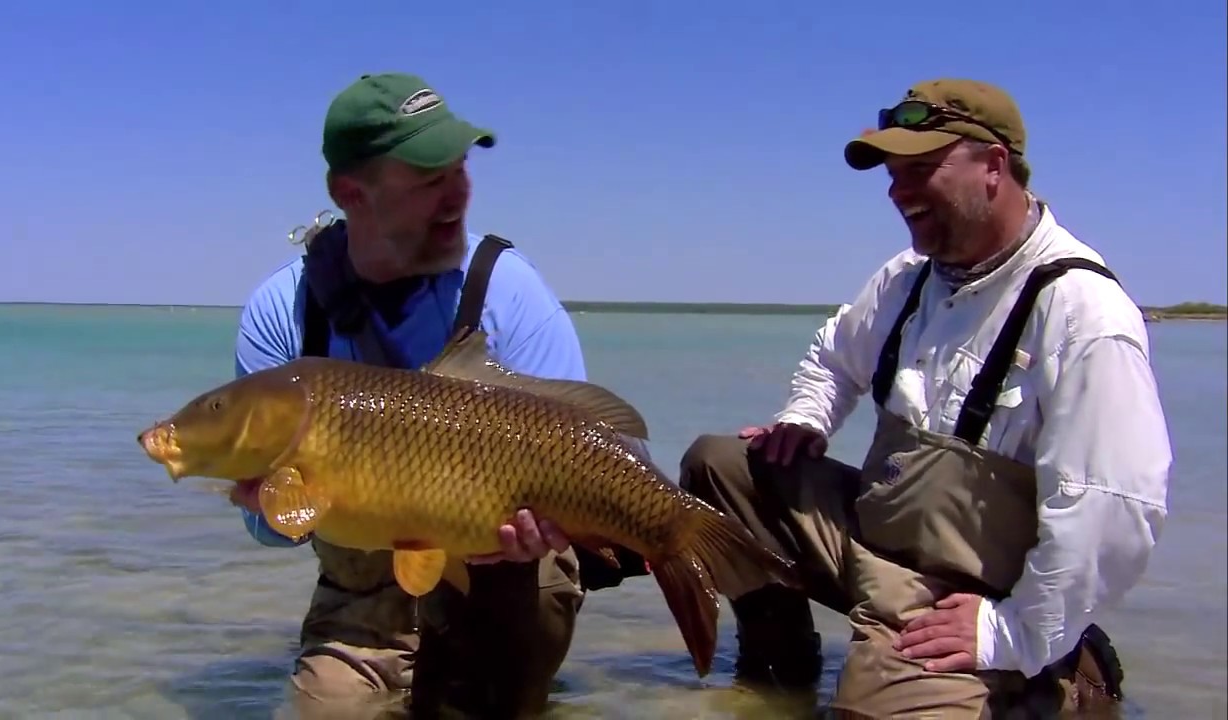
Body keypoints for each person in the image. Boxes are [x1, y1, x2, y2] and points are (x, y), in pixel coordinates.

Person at [678, 78, 1171, 717]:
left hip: (961, 596)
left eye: (920, 169)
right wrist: (806, 418)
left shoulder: (1082, 312)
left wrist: (1013, 632)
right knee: (720, 467)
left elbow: (1114, 513)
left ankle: (1055, 667)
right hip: (871, 542)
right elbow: (833, 359)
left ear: (994, 165)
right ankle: (780, 677)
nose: (897, 191)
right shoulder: (906, 279)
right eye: (892, 174)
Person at [228, 71, 643, 719]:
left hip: (507, 573)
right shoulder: (284, 312)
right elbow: (270, 532)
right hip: (362, 592)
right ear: (350, 193)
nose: (457, 195)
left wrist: (563, 532)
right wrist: (273, 504)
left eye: (460, 169)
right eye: (428, 179)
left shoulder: (507, 289)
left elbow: (604, 454)